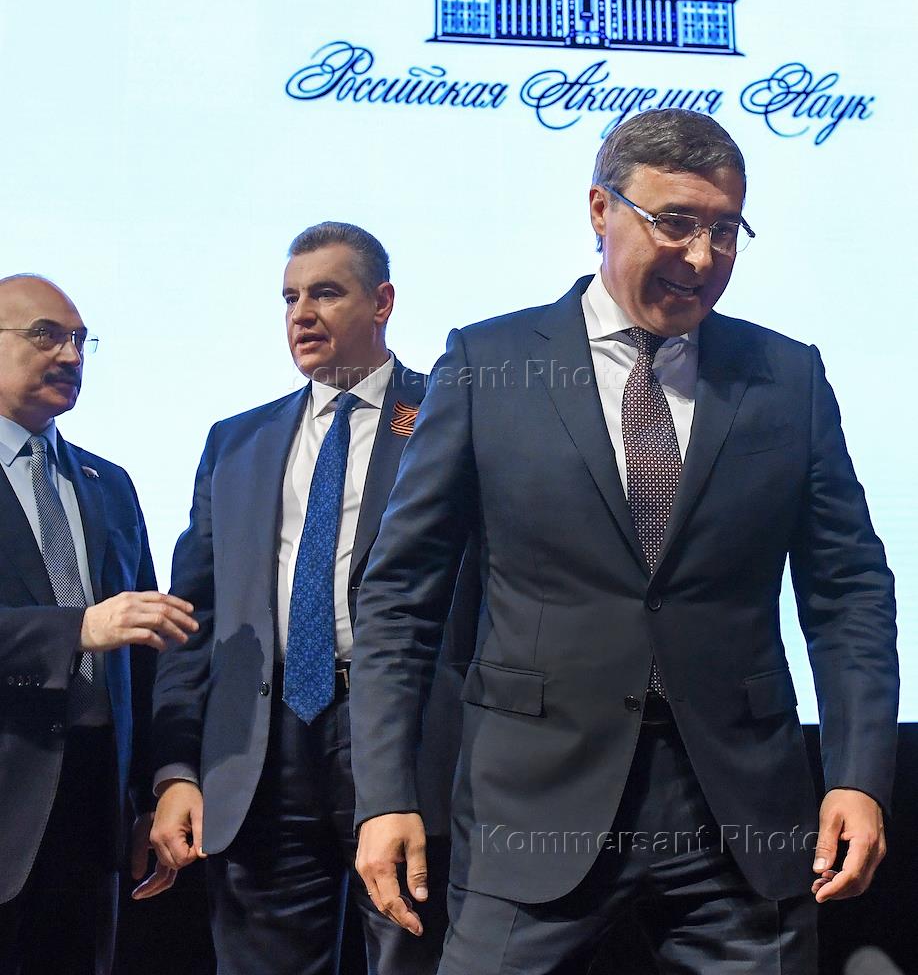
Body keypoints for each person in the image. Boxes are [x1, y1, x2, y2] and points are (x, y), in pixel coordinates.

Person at [350, 110, 899, 974]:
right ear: (601, 209)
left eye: (726, 230)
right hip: (529, 808)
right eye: (676, 222)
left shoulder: (786, 377)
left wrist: (858, 775)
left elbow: (849, 591)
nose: (703, 256)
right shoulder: (489, 364)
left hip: (739, 818)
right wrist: (384, 794)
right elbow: (400, 597)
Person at [143, 223, 465, 975]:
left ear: (382, 302)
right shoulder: (237, 443)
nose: (302, 314)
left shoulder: (448, 417)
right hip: (262, 747)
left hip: (405, 737)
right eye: (289, 298)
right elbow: (195, 620)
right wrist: (176, 769)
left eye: (325, 293)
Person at [0, 274, 198, 975]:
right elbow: (96, 628)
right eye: (46, 336)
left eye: (81, 341)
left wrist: (148, 794)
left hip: (92, 819)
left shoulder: (107, 484)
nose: (71, 355)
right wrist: (76, 630)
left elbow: (144, 654)